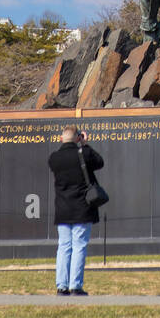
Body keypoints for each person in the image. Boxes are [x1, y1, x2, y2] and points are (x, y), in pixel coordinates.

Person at [48, 124, 105, 296]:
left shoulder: (54, 158)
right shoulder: (83, 154)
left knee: (64, 247)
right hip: (82, 208)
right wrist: (85, 145)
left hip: (63, 209)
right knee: (79, 246)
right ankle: (75, 286)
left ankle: (61, 286)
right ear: (78, 138)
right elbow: (99, 162)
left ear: (61, 139)